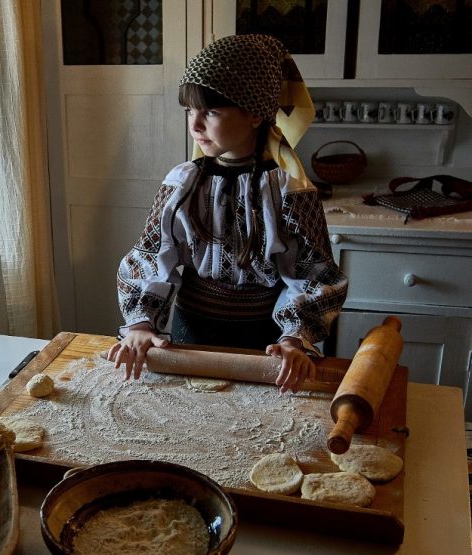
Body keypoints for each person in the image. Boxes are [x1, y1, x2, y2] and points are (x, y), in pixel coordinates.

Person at [108, 34, 348, 393]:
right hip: (192, 335)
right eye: (190, 111)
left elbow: (315, 272)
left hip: (266, 343)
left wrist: (294, 339)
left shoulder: (290, 189)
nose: (195, 124)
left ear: (255, 114)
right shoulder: (183, 183)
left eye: (212, 111)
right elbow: (150, 253)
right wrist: (141, 324)